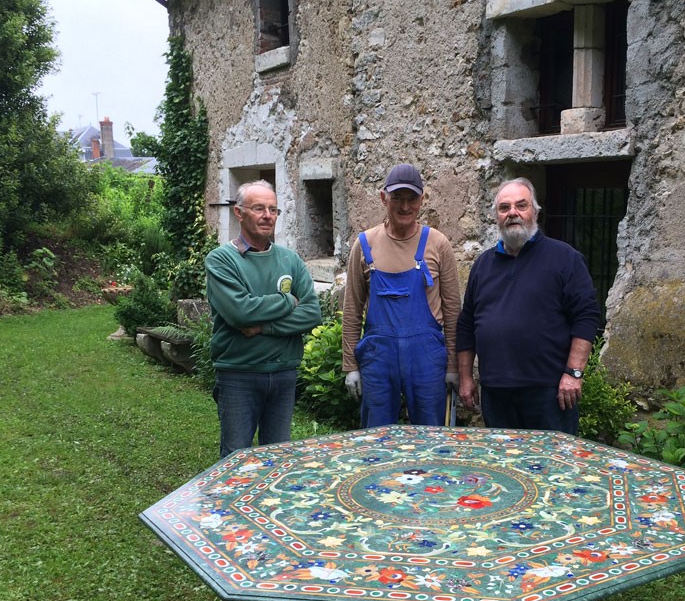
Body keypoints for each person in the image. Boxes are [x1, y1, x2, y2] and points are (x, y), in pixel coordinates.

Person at [456, 178, 600, 434]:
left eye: (521, 205)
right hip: (496, 393)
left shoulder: (565, 259)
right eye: (504, 207)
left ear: (535, 211)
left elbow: (586, 317)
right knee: (502, 469)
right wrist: (466, 378)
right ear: (496, 217)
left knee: (554, 468)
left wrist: (574, 373)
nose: (513, 213)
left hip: (549, 392)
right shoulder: (482, 265)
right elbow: (467, 324)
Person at [205, 180, 322, 457]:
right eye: (259, 208)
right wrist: (287, 300)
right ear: (239, 212)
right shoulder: (221, 260)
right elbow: (240, 312)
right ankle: (232, 501)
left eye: (273, 209)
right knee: (236, 458)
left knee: (278, 457)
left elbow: (312, 313)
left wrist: (262, 326)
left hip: (284, 373)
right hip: (239, 374)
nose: (267, 216)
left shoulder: (290, 259)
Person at [342, 163, 461, 427]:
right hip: (378, 360)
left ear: (422, 200)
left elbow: (453, 312)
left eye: (412, 199)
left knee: (430, 436)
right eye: (397, 198)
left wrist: (453, 366)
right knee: (376, 436)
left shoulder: (438, 244)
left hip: (427, 360)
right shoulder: (364, 245)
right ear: (383, 198)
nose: (405, 207)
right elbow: (352, 309)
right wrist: (350, 366)